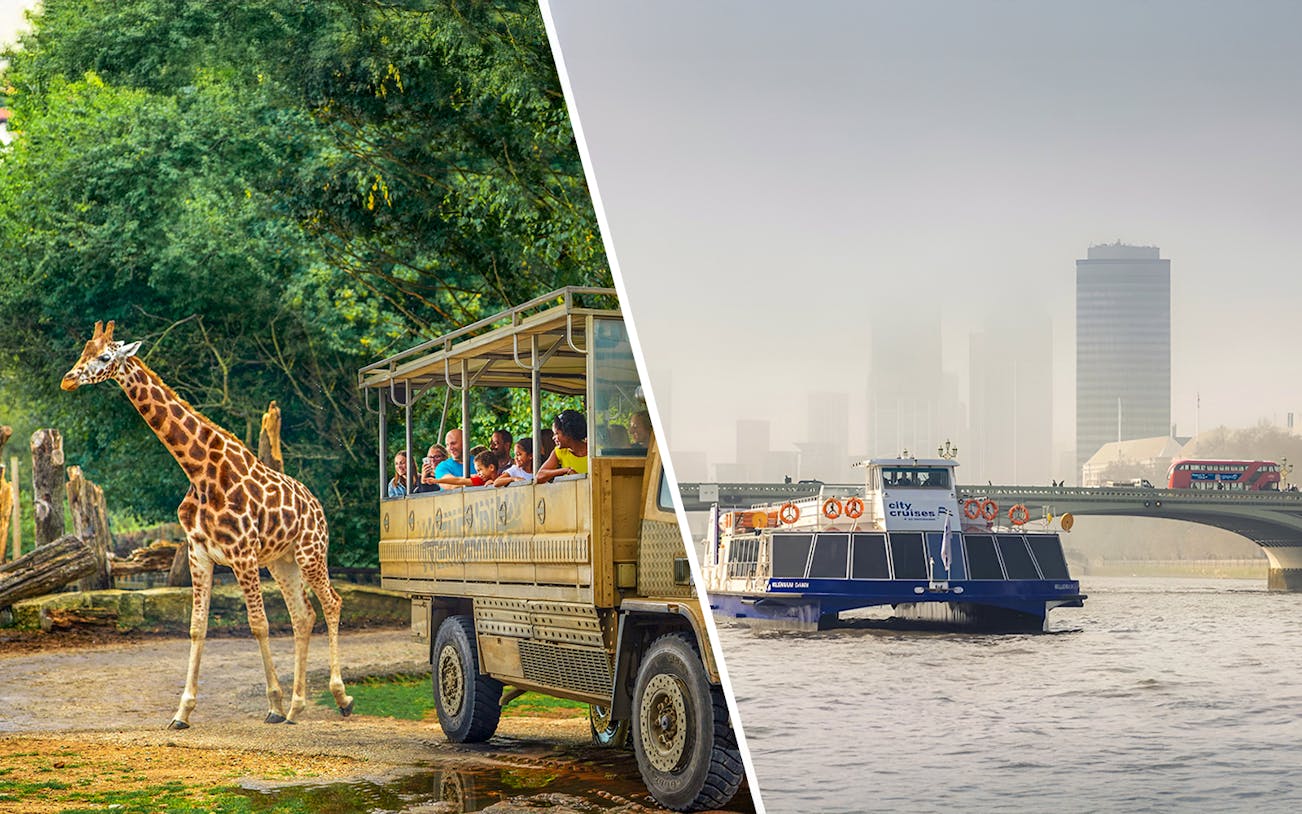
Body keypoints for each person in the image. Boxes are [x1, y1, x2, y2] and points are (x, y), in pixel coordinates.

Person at [536, 409, 589, 484]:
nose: (553, 438)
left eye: (556, 433)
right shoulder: (559, 451)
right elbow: (539, 476)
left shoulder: (593, 449)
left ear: (568, 433)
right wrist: (565, 470)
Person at [435, 449, 501, 489]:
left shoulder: (503, 475)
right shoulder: (479, 480)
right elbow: (458, 481)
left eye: (480, 470)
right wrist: (438, 481)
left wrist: (496, 483)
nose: (478, 474)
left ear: (491, 467)